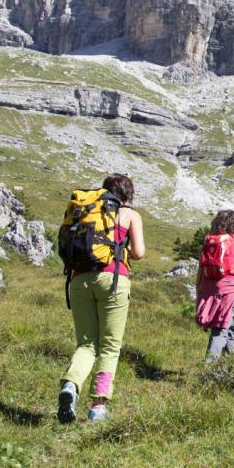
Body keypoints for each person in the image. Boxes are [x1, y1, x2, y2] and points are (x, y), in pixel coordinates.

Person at [58, 173, 145, 423]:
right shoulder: (130, 215)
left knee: (86, 344)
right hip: (113, 280)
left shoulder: (87, 212)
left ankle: (70, 385)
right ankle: (98, 406)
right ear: (129, 196)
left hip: (78, 280)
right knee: (109, 346)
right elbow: (139, 252)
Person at [195, 209, 234, 361]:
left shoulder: (210, 242)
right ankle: (208, 368)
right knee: (220, 329)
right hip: (228, 290)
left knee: (229, 326)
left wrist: (199, 294)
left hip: (207, 288)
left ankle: (232, 363)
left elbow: (200, 271)